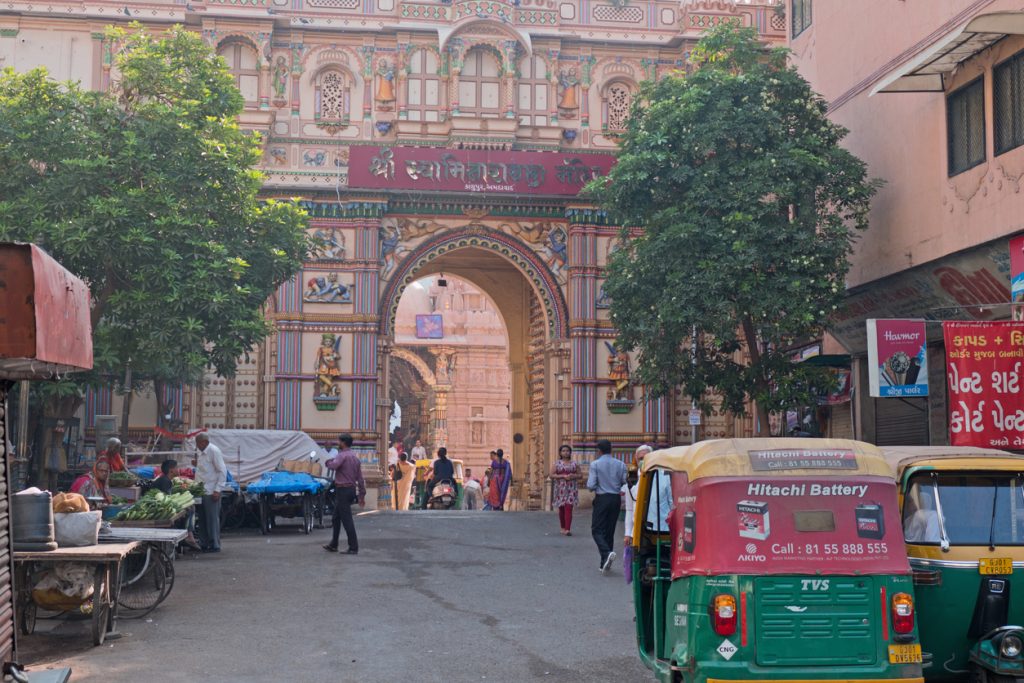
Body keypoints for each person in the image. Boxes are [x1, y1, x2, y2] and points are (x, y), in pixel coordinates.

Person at [587, 439, 627, 574]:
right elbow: (623, 481)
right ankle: (604, 562)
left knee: (597, 529)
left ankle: (606, 552)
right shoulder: (621, 464)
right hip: (615, 499)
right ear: (611, 449)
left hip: (602, 498)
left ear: (599, 451)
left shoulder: (595, 464)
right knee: (610, 530)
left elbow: (591, 485)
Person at [324, 433, 365, 554]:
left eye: (339, 441)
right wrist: (362, 494)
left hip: (342, 490)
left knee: (347, 520)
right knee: (336, 518)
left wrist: (328, 462)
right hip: (351, 490)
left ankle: (353, 547)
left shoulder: (342, 456)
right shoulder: (354, 457)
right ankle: (333, 544)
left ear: (343, 443)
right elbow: (360, 478)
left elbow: (334, 466)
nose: (338, 443)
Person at [154, 459, 202, 551]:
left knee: (190, 508)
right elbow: (166, 501)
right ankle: (188, 537)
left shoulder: (166, 480)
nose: (178, 470)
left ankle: (188, 536)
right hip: (159, 509)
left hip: (163, 507)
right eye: (176, 468)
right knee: (188, 510)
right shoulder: (165, 481)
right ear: (171, 470)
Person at [194, 433, 228, 554]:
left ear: (203, 442)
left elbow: (222, 470)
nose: (196, 446)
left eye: (197, 443)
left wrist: (217, 490)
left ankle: (214, 544)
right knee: (202, 519)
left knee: (212, 519)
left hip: (211, 490)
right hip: (201, 490)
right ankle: (204, 543)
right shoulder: (201, 452)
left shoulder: (213, 451)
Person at [551, 445, 580, 535]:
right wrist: (562, 476)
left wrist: (573, 476)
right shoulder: (556, 464)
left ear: (570, 452)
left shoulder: (574, 464)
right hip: (560, 489)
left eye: (567, 451)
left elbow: (580, 475)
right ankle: (562, 527)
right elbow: (551, 475)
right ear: (560, 453)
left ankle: (568, 529)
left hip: (571, 488)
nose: (565, 452)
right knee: (562, 508)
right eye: (563, 451)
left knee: (569, 507)